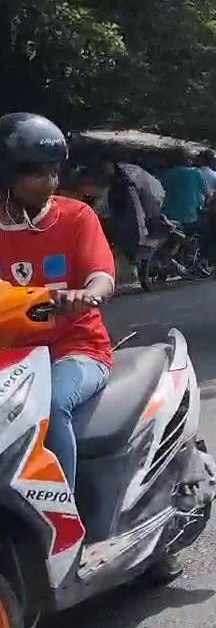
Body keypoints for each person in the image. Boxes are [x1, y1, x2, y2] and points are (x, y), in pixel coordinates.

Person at [0, 113, 115, 489]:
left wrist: (89, 295)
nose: (50, 182)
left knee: (48, 407)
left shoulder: (77, 216)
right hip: (12, 354)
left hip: (78, 349)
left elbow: (102, 276)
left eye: (54, 172)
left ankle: (63, 522)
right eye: (38, 173)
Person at [159, 149, 211, 228]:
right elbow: (207, 193)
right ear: (187, 160)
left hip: (169, 215)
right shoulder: (196, 173)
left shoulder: (168, 174)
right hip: (191, 216)